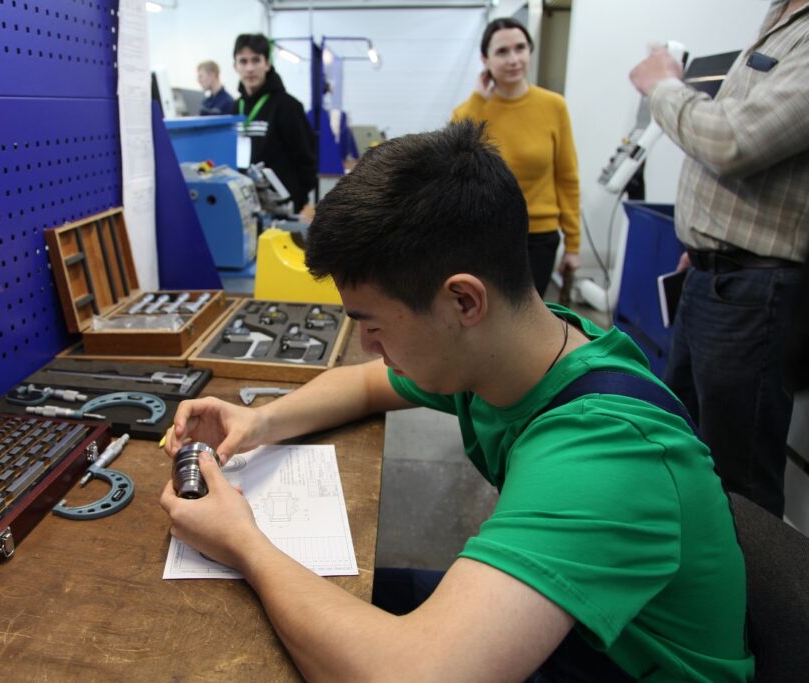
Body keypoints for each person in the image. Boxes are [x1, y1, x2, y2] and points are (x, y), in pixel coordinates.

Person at [160, 122, 753, 681]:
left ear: (464, 301)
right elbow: (365, 384)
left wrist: (243, 542)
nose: (366, 346)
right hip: (583, 632)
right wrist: (258, 421)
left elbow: (411, 675)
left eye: (373, 326)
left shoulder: (606, 452)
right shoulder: (512, 349)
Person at [629, 0, 809, 517]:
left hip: (754, 290)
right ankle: (686, 562)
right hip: (713, 274)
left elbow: (732, 141)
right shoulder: (781, 16)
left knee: (738, 482)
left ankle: (745, 575)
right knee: (679, 439)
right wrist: (706, 245)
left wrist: (664, 85)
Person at [451, 17, 581, 297]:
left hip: (539, 237)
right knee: (484, 315)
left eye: (520, 48)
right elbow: (452, 167)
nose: (513, 59)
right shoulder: (470, 111)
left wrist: (573, 244)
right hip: (485, 234)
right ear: (485, 60)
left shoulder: (554, 106)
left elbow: (567, 177)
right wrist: (478, 99)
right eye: (502, 51)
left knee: (530, 316)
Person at [231, 33, 317, 212]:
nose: (249, 68)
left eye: (256, 60)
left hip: (281, 207)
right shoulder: (233, 109)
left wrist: (297, 199)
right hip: (244, 205)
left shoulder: (288, 106)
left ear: (267, 64)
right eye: (243, 61)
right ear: (235, 66)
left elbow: (307, 159)